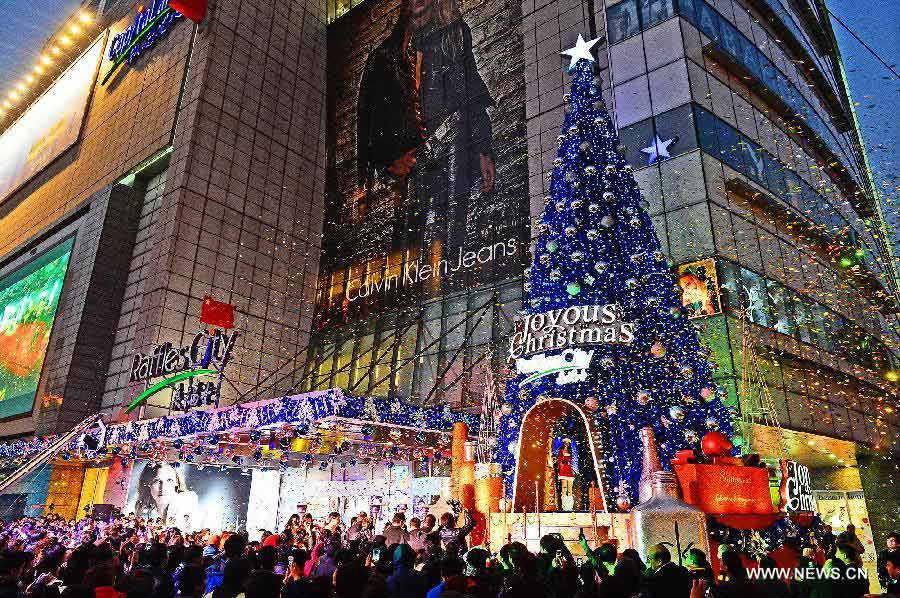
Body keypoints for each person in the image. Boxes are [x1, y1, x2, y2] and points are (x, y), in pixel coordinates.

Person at [134, 463, 199, 532]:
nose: (163, 487)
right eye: (157, 481)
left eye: (169, 480)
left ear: (177, 482)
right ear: (148, 483)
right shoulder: (143, 510)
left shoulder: (188, 501)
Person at [555, 439, 576, 511]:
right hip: (563, 469)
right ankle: (564, 506)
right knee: (564, 488)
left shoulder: (571, 452)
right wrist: (559, 468)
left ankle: (570, 507)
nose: (566, 444)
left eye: (568, 443)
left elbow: (573, 461)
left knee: (570, 489)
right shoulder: (560, 451)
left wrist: (574, 470)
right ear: (563, 443)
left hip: (569, 470)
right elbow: (558, 461)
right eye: (565, 443)